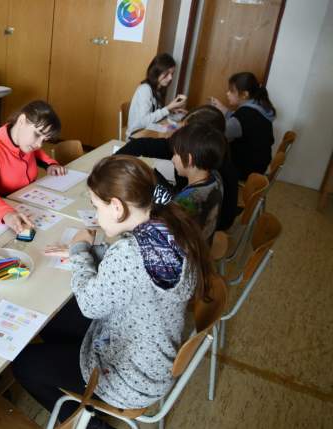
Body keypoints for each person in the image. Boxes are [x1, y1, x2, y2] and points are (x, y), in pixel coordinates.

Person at [15, 155, 212, 426]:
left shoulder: (129, 253)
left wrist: (79, 250)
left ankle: (92, 424)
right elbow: (134, 268)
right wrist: (93, 251)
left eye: (97, 207)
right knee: (53, 323)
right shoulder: (171, 226)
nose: (96, 216)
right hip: (153, 358)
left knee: (24, 363)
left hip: (129, 378)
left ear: (117, 207)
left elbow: (89, 304)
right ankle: (81, 394)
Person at [116, 105, 239, 231]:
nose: (172, 158)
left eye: (186, 131)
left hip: (194, 231)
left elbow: (165, 228)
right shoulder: (213, 175)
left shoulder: (186, 203)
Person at [0, 100, 67, 233]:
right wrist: (7, 214)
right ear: (21, 121)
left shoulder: (25, 143)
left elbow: (37, 153)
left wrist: (51, 164)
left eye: (44, 140)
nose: (39, 144)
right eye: (37, 134)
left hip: (23, 203)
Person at [210, 72, 277, 180]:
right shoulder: (258, 105)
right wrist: (224, 110)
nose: (227, 94)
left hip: (246, 169)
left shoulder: (244, 115)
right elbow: (241, 123)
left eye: (231, 91)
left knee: (207, 157)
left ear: (245, 94)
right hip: (259, 164)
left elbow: (217, 134)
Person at [170, 123, 226, 242]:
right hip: (205, 242)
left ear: (189, 159)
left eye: (175, 154)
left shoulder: (186, 200)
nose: (172, 159)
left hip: (190, 251)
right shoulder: (216, 176)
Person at [126, 53, 187, 138]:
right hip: (137, 135)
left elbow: (155, 116)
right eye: (167, 74)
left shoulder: (158, 90)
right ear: (156, 72)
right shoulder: (145, 89)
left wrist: (171, 110)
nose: (170, 78)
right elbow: (144, 121)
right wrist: (167, 108)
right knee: (172, 138)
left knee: (175, 130)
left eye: (172, 74)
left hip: (149, 132)